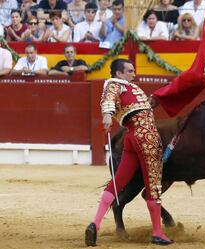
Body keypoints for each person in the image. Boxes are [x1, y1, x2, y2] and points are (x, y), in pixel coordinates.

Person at [84, 59, 173, 247]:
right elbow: (108, 96)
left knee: (117, 183)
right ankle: (157, 232)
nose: (134, 74)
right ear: (119, 73)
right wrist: (107, 114)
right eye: (130, 71)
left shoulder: (128, 88)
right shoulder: (115, 84)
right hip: (146, 137)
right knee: (153, 185)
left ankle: (95, 223)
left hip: (131, 138)